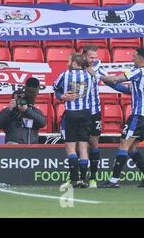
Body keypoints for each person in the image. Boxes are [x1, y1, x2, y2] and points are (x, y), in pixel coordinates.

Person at [98, 47, 144, 189]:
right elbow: (125, 89)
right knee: (131, 149)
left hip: (138, 115)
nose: (132, 58)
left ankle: (113, 180)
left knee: (123, 145)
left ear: (142, 58)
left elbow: (115, 79)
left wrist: (97, 75)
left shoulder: (138, 71)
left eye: (134, 56)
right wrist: (107, 81)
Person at [53, 53, 94, 188]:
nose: (67, 63)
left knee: (70, 147)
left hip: (71, 113)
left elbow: (55, 87)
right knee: (83, 147)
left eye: (69, 61)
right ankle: (84, 179)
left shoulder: (65, 75)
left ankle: (74, 179)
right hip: (86, 112)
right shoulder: (89, 75)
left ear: (75, 63)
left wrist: (62, 96)